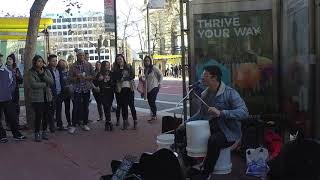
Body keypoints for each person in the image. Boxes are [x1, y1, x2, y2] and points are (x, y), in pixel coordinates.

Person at [175, 65, 249, 179]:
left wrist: (222, 113)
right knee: (181, 131)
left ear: (214, 78)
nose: (202, 78)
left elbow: (244, 112)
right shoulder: (206, 93)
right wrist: (186, 123)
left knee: (214, 140)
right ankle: (191, 165)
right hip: (210, 126)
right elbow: (200, 115)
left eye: (205, 76)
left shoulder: (230, 93)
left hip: (228, 132)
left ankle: (206, 172)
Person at [0, 53, 26, 143]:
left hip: (7, 98)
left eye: (0, 58)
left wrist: (8, 92)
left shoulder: (8, 70)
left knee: (12, 116)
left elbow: (13, 83)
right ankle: (2, 136)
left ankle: (16, 134)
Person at [68, 49, 95, 134]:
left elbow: (93, 76)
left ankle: (85, 123)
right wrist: (77, 78)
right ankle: (73, 125)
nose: (82, 57)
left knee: (85, 107)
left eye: (83, 55)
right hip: (77, 89)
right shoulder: (72, 66)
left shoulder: (88, 65)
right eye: (80, 55)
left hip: (86, 89)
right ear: (77, 56)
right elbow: (69, 78)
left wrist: (86, 78)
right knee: (75, 107)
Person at [29, 55, 54, 142]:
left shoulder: (46, 71)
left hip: (47, 97)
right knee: (38, 116)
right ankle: (37, 133)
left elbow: (51, 82)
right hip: (37, 98)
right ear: (35, 62)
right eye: (38, 61)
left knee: (45, 116)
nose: (40, 63)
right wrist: (44, 84)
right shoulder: (31, 72)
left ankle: (44, 131)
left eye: (41, 61)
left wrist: (43, 75)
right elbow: (33, 84)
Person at [113, 54, 137, 130]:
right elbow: (116, 78)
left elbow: (133, 75)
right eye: (118, 60)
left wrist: (125, 78)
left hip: (129, 89)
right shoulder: (116, 69)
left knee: (132, 106)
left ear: (123, 59)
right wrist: (120, 71)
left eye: (120, 59)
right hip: (121, 90)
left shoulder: (129, 66)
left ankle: (135, 121)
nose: (119, 61)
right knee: (124, 107)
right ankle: (125, 122)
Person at [48, 54, 67, 131]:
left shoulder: (58, 70)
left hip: (59, 93)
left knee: (59, 110)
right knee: (52, 111)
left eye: (56, 60)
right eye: (53, 61)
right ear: (49, 61)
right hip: (52, 94)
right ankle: (52, 126)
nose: (55, 62)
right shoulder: (47, 70)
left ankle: (60, 125)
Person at [142, 56, 163, 122]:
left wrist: (160, 83)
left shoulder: (154, 67)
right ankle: (153, 114)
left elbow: (161, 74)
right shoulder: (146, 69)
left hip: (154, 86)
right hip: (148, 88)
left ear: (150, 61)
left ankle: (154, 115)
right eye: (145, 61)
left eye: (148, 60)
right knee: (150, 101)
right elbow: (145, 78)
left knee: (152, 101)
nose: (147, 62)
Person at [96, 61, 115, 131]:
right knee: (105, 107)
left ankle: (107, 123)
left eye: (109, 65)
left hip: (110, 93)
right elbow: (96, 83)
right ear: (103, 66)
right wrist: (100, 80)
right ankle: (109, 122)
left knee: (108, 108)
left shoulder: (111, 73)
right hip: (103, 93)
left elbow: (114, 83)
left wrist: (110, 80)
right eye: (107, 65)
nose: (108, 66)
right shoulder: (100, 74)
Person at [6, 53, 23, 127]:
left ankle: (16, 123)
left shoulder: (16, 70)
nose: (8, 60)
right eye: (8, 59)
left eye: (10, 59)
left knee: (16, 108)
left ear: (14, 61)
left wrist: (17, 76)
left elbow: (21, 81)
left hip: (15, 92)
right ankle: (8, 123)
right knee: (7, 108)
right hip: (6, 92)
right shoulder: (4, 69)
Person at [57, 59, 72, 127]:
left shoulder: (69, 72)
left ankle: (69, 122)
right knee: (59, 109)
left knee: (67, 108)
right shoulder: (58, 72)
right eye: (61, 63)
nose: (63, 64)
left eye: (64, 63)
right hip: (60, 93)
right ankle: (60, 124)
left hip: (67, 92)